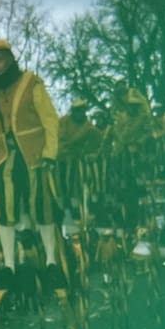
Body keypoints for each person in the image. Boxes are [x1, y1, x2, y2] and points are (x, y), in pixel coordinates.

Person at [0, 39, 62, 289]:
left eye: (0, 59)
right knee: (6, 212)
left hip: (35, 156)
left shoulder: (31, 83)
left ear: (10, 58)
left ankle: (51, 262)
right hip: (6, 159)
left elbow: (50, 119)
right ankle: (9, 267)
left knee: (43, 207)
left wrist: (49, 152)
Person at [57, 99, 101, 233]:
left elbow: (96, 144)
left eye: (81, 110)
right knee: (61, 185)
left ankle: (78, 210)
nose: (79, 113)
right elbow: (58, 138)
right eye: (76, 111)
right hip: (61, 159)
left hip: (78, 162)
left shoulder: (89, 128)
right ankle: (62, 207)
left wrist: (85, 153)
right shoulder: (63, 122)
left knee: (76, 186)